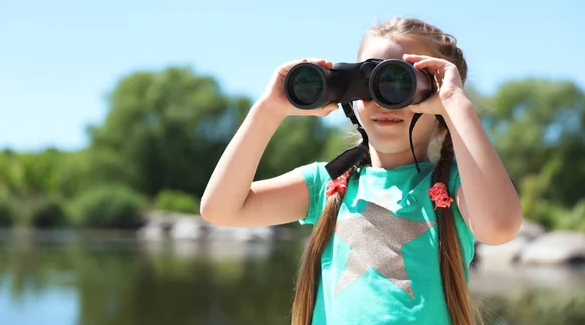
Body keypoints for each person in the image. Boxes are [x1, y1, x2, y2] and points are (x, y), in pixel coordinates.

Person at [200, 17, 522, 325]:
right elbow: (221, 209)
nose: (382, 101)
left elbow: (498, 227)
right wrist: (268, 109)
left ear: (436, 98)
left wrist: (457, 105)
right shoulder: (327, 183)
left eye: (400, 82)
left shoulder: (451, 187)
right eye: (368, 83)